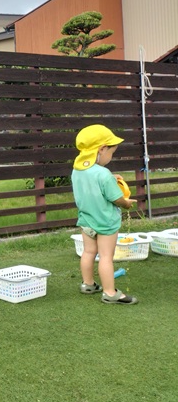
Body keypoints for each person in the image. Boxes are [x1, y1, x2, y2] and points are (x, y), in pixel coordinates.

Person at [71, 124, 138, 304]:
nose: (111, 157)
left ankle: (88, 284)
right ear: (101, 149)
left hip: (86, 220)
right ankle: (110, 293)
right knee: (106, 257)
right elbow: (117, 198)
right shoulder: (103, 174)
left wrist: (110, 178)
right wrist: (126, 204)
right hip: (106, 223)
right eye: (111, 152)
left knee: (88, 252)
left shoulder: (77, 170)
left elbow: (92, 181)